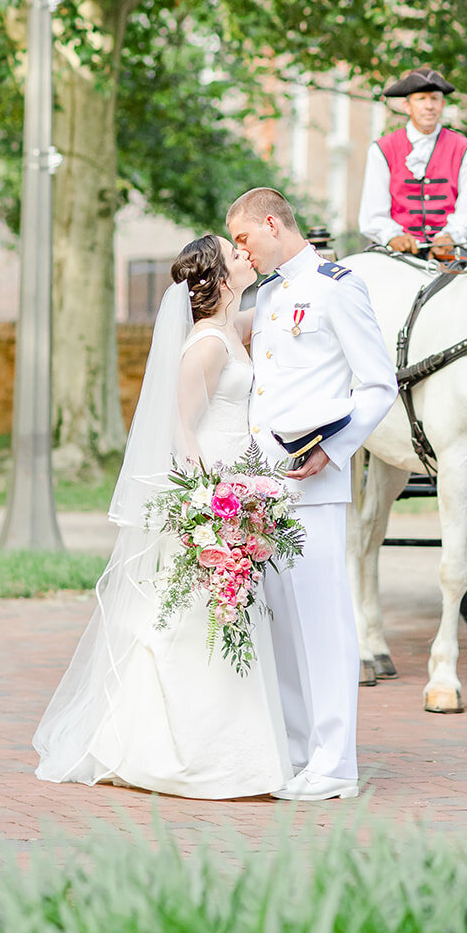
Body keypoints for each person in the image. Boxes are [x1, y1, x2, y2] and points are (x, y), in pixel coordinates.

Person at [33, 235, 291, 799]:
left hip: (238, 491)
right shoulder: (205, 345)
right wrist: (208, 505)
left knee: (219, 619)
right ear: (221, 277)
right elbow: (181, 429)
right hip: (212, 499)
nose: (246, 255)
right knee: (195, 621)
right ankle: (172, 752)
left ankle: (232, 752)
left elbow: (274, 312)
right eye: (236, 253)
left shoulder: (230, 330)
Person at [227, 188, 398, 801]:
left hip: (314, 483)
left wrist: (335, 448)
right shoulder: (268, 293)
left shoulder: (335, 285)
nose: (242, 254)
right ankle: (299, 753)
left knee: (324, 627)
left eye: (244, 239)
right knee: (280, 627)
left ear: (272, 224)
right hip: (262, 486)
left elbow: (379, 384)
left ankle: (335, 765)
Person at [358, 65, 467, 259]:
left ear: (442, 104)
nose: (429, 106)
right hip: (396, 250)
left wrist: (449, 236)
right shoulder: (381, 150)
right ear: (407, 106)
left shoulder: (466, 149)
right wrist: (392, 237)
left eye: (435, 99)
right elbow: (374, 214)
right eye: (421, 99)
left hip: (452, 248)